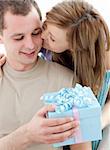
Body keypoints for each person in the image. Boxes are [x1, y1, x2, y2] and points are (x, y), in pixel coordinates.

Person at [0, 0, 110, 150]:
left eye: (36, 33)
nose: (32, 44)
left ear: (72, 48)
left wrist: (99, 121)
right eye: (19, 37)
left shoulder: (71, 82)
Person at [41, 0, 110, 150]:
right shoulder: (41, 40)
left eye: (52, 38)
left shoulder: (104, 57)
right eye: (45, 25)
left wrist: (99, 121)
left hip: (86, 122)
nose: (42, 35)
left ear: (73, 48)